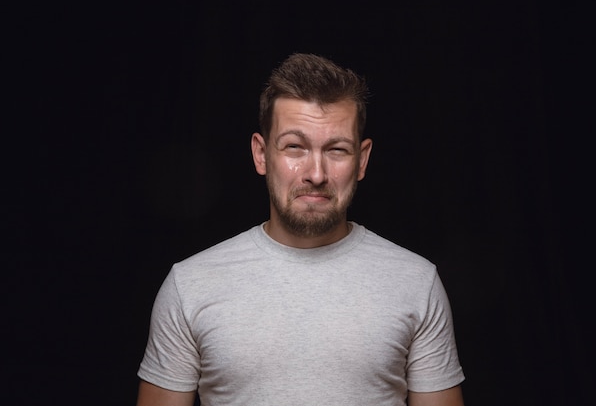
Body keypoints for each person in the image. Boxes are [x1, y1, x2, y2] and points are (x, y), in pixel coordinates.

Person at [136, 53, 465, 406]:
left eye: (337, 150)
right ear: (261, 155)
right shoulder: (191, 285)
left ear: (362, 160)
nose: (317, 174)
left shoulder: (416, 282)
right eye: (295, 147)